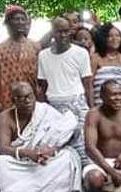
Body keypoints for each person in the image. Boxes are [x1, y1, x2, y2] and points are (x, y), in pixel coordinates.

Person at [0, 82, 82, 192]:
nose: (27, 101)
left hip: (43, 158)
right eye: (21, 98)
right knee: (2, 165)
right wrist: (28, 153)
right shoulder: (4, 117)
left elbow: (64, 137)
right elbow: (2, 148)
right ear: (13, 100)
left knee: (67, 157)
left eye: (30, 96)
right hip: (18, 160)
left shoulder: (45, 111)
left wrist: (50, 150)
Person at [38, 16, 94, 163]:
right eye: (58, 31)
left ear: (70, 32)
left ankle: (87, 177)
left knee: (82, 146)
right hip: (54, 106)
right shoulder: (43, 56)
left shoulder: (81, 53)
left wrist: (91, 110)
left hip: (77, 103)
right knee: (57, 147)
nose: (62, 35)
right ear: (52, 33)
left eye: (65, 31)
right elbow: (43, 87)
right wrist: (41, 112)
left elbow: (88, 84)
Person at [0, 6, 40, 114]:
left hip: (30, 102)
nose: (20, 22)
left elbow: (40, 79)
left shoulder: (35, 47)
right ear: (8, 23)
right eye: (16, 19)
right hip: (6, 101)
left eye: (23, 19)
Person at [91, 23, 121, 105]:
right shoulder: (96, 58)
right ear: (103, 38)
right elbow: (89, 85)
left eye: (118, 36)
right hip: (100, 107)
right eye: (110, 36)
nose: (115, 39)